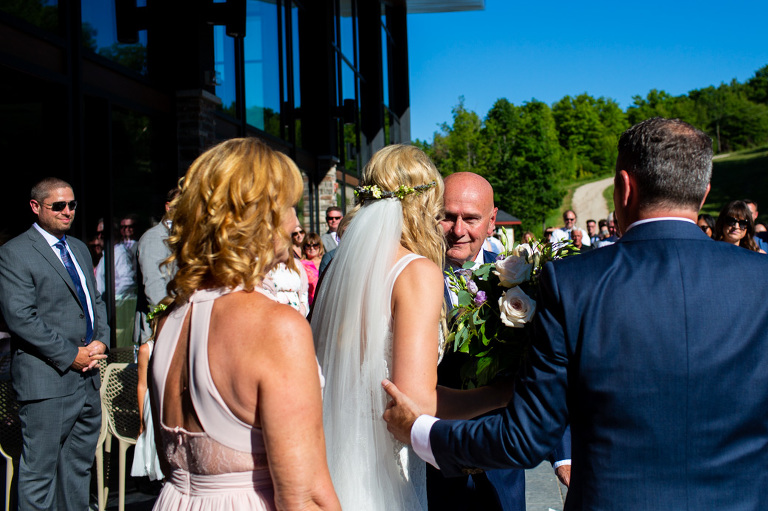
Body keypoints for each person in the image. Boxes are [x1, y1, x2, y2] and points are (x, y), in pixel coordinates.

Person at [383, 117, 768, 510]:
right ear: (704, 193)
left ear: (623, 188)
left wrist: (419, 431)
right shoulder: (762, 279)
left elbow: (526, 436)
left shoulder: (574, 282)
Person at [312, 145, 511, 510]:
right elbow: (415, 404)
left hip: (335, 456)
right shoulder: (416, 272)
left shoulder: (336, 269)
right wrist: (500, 394)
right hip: (387, 470)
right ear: (423, 203)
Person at [149, 138, 340, 510]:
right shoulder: (277, 328)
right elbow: (304, 497)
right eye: (289, 207)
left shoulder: (170, 320)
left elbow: (170, 460)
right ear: (259, 218)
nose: (295, 223)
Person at [436, 171, 570, 511]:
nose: (458, 230)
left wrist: (564, 453)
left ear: (492, 220)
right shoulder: (414, 276)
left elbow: (549, 366)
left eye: (471, 219)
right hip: (433, 465)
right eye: (448, 216)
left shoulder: (522, 278)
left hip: (502, 466)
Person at [0, 177, 109, 510]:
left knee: (77, 472)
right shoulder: (15, 252)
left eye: (72, 204)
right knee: (39, 476)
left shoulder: (78, 248)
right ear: (36, 207)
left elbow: (95, 300)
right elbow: (21, 318)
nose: (67, 211)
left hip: (87, 380)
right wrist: (70, 354)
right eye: (58, 205)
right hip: (46, 383)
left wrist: (102, 341)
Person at [134, 188, 180, 345]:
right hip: (158, 333)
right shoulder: (154, 238)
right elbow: (155, 292)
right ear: (168, 207)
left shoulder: (185, 238)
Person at [301, 232, 324, 305]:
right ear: (304, 248)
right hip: (310, 301)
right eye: (308, 246)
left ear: (320, 247)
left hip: (325, 299)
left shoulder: (325, 261)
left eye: (315, 245)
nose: (311, 248)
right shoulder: (301, 264)